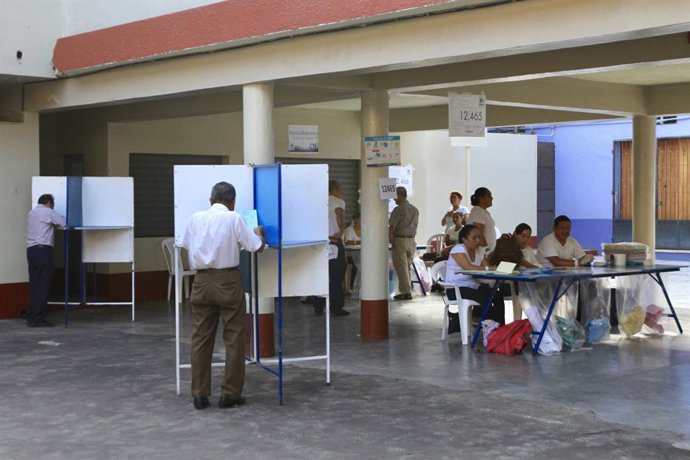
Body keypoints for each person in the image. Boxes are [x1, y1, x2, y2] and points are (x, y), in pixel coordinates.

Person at [182, 181, 265, 410]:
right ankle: (230, 394)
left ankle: (199, 394)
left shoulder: (195, 218)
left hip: (200, 281)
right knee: (234, 338)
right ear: (233, 202)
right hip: (228, 280)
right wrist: (259, 233)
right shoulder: (234, 218)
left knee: (200, 338)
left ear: (210, 200)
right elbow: (256, 247)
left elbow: (186, 244)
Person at [444, 224, 505, 324]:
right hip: (456, 288)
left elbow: (487, 267)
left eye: (479, 237)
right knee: (484, 297)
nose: (478, 240)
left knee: (496, 294)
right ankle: (491, 326)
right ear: (464, 239)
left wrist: (494, 268)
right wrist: (490, 268)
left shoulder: (479, 250)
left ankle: (501, 326)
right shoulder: (458, 249)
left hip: (473, 286)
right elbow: (468, 268)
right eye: (474, 238)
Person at [25, 194, 66, 327]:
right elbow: (63, 223)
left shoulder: (31, 213)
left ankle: (31, 316)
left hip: (31, 251)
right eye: (52, 205)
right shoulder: (48, 212)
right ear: (49, 202)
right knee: (43, 284)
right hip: (43, 251)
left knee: (35, 284)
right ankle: (38, 319)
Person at [311, 180, 349, 316]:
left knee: (321, 275)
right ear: (334, 189)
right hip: (334, 242)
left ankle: (318, 306)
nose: (341, 191)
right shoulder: (338, 201)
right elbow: (339, 213)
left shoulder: (320, 202)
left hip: (321, 242)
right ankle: (336, 307)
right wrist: (341, 229)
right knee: (336, 276)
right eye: (340, 188)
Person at [389, 186, 420, 301]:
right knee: (407, 266)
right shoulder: (414, 209)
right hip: (411, 240)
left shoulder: (398, 209)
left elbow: (392, 226)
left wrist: (390, 239)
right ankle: (406, 289)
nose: (394, 199)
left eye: (395, 196)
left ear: (401, 195)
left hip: (400, 239)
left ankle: (406, 292)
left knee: (401, 267)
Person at [467, 187, 498, 253]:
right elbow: (479, 234)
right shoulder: (478, 212)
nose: (492, 198)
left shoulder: (483, 211)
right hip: (482, 254)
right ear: (481, 199)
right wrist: (486, 250)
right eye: (489, 196)